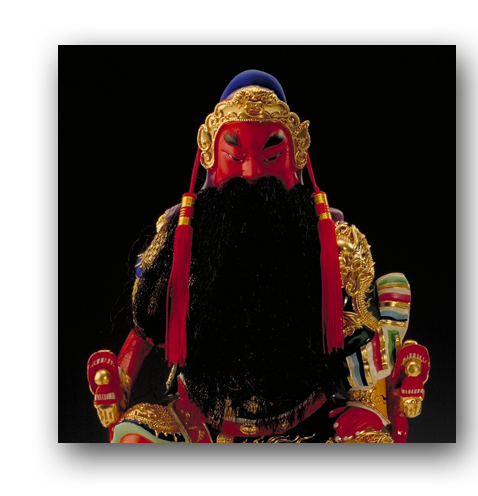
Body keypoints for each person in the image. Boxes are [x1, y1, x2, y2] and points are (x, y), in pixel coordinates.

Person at [87, 70, 430, 443]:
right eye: (236, 156)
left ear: (295, 158)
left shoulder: (334, 244)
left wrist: (367, 407)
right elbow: (148, 329)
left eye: (271, 155)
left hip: (310, 422)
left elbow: (362, 337)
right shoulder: (185, 242)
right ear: (212, 158)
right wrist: (118, 377)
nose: (251, 172)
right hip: (200, 421)